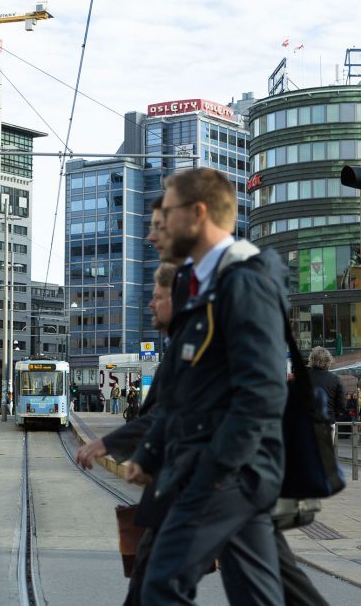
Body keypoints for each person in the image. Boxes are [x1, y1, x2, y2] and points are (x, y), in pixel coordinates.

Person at [125, 168, 288, 604]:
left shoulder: (244, 281)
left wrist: (216, 471)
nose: (160, 221)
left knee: (161, 585)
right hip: (221, 467)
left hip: (230, 470)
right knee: (259, 595)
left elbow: (264, 390)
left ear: (197, 214)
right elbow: (183, 389)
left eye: (169, 212)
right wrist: (150, 451)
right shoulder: (200, 286)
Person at [307, 346, 345, 431]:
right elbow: (341, 405)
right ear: (328, 361)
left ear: (311, 360)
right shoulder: (335, 379)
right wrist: (333, 415)